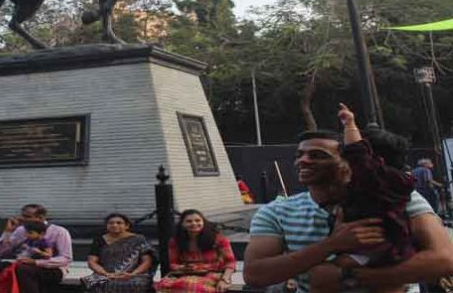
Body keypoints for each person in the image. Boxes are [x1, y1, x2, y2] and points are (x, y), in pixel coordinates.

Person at [243, 127, 453, 292]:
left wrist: (349, 276)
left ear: (347, 163)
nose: (303, 160)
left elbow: (444, 259)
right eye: (300, 154)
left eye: (318, 155)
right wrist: (332, 245)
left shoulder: (395, 200)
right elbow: (254, 275)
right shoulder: (276, 212)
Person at [309, 104, 416, 292]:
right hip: (392, 248)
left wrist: (350, 124)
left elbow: (357, 153)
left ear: (375, 160)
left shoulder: (372, 179)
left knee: (322, 276)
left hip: (376, 248)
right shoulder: (399, 183)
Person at [0, 204, 72, 293]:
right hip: (22, 264)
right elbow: (1, 252)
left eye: (27, 217)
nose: (22, 219)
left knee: (24, 270)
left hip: (51, 268)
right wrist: (8, 232)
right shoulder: (21, 230)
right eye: (22, 216)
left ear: (40, 218)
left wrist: (36, 262)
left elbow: (65, 258)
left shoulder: (59, 232)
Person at [155, 209, 236, 293]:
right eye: (189, 221)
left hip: (211, 273)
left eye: (197, 220)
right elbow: (173, 264)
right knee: (163, 285)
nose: (194, 223)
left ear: (203, 222)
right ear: (182, 224)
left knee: (190, 286)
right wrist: (183, 268)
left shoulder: (218, 239)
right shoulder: (175, 241)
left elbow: (230, 263)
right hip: (183, 274)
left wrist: (225, 280)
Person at [81, 213, 155, 293]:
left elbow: (147, 261)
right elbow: (92, 262)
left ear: (127, 226)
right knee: (93, 282)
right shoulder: (100, 240)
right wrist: (106, 274)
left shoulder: (139, 240)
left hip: (134, 274)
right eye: (111, 223)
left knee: (135, 284)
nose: (114, 225)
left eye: (119, 223)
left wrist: (132, 274)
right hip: (105, 274)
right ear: (106, 226)